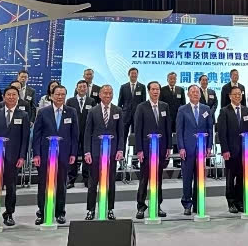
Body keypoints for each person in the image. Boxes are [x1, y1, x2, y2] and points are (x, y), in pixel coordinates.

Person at [0, 86, 29, 227]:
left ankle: (9, 213)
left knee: (11, 188)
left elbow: (25, 139)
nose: (11, 97)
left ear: (18, 97)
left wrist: (22, 156)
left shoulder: (23, 115)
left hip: (14, 158)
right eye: (9, 94)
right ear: (4, 97)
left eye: (14, 94)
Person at [32, 85, 78, 224]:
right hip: (45, 154)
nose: (60, 97)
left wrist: (73, 153)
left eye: (63, 94)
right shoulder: (43, 112)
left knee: (61, 184)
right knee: (43, 184)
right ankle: (42, 212)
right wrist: (36, 154)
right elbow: (37, 135)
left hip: (64, 154)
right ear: (51, 96)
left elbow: (74, 135)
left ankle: (60, 212)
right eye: (57, 94)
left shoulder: (71, 112)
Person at [84, 85, 125, 220]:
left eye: (110, 93)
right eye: (105, 93)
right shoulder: (93, 111)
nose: (108, 95)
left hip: (112, 153)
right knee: (93, 183)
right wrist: (87, 152)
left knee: (110, 182)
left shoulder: (118, 110)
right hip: (96, 152)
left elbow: (121, 133)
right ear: (100, 95)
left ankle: (110, 209)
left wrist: (120, 149)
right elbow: (87, 133)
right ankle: (91, 210)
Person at [134, 81, 170, 219]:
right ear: (149, 91)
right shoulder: (141, 107)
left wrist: (168, 146)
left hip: (160, 148)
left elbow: (167, 128)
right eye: (153, 89)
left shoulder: (164, 106)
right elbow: (137, 130)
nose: (155, 92)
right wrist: (139, 150)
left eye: (157, 89)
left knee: (158, 179)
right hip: (146, 149)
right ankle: (141, 206)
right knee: (144, 179)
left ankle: (157, 205)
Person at [176, 85, 213, 215]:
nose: (195, 93)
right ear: (188, 94)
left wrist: (209, 146)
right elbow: (179, 130)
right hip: (187, 149)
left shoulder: (206, 109)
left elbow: (210, 129)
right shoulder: (182, 109)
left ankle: (198, 203)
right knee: (187, 178)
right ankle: (187, 204)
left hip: (202, 149)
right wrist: (181, 147)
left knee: (200, 177)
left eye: (197, 91)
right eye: (192, 91)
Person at [217, 87, 248, 213]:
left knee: (241, 177)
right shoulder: (224, 111)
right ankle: (231, 202)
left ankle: (239, 201)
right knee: (230, 177)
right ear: (230, 96)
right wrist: (225, 149)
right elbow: (222, 133)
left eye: (239, 94)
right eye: (235, 94)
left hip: (245, 151)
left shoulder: (247, 111)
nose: (238, 96)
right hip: (231, 151)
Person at [66, 80, 94, 188]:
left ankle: (86, 178)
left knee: (87, 154)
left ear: (87, 88)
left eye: (84, 87)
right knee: (72, 154)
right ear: (76, 88)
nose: (82, 89)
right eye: (80, 87)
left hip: (87, 132)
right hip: (73, 131)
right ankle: (71, 179)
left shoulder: (91, 101)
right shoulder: (70, 101)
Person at [118, 67, 145, 141]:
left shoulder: (142, 87)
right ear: (128, 75)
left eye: (135, 73)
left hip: (137, 115)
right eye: (132, 73)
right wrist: (120, 114)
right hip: (125, 115)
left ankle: (136, 149)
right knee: (123, 135)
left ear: (137, 75)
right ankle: (122, 149)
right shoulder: (123, 87)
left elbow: (143, 103)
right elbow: (120, 102)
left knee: (136, 136)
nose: (134, 75)